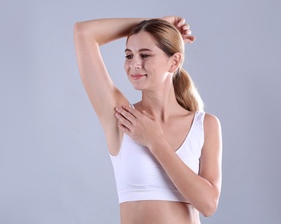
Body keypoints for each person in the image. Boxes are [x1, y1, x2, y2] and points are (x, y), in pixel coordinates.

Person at [73, 16, 222, 224]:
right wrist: (158, 22)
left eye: (144, 55)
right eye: (128, 55)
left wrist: (155, 141)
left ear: (175, 61)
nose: (134, 64)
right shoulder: (122, 117)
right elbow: (84, 33)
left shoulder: (205, 125)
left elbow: (208, 204)